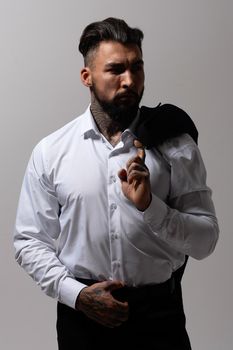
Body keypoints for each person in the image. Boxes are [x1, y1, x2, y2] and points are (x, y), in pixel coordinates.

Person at [14, 17, 219, 350]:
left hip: (159, 319)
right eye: (115, 70)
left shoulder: (176, 146)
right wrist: (76, 295)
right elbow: (28, 241)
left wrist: (151, 207)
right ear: (87, 76)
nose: (129, 81)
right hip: (82, 317)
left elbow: (205, 240)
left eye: (136, 68)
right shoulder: (51, 152)